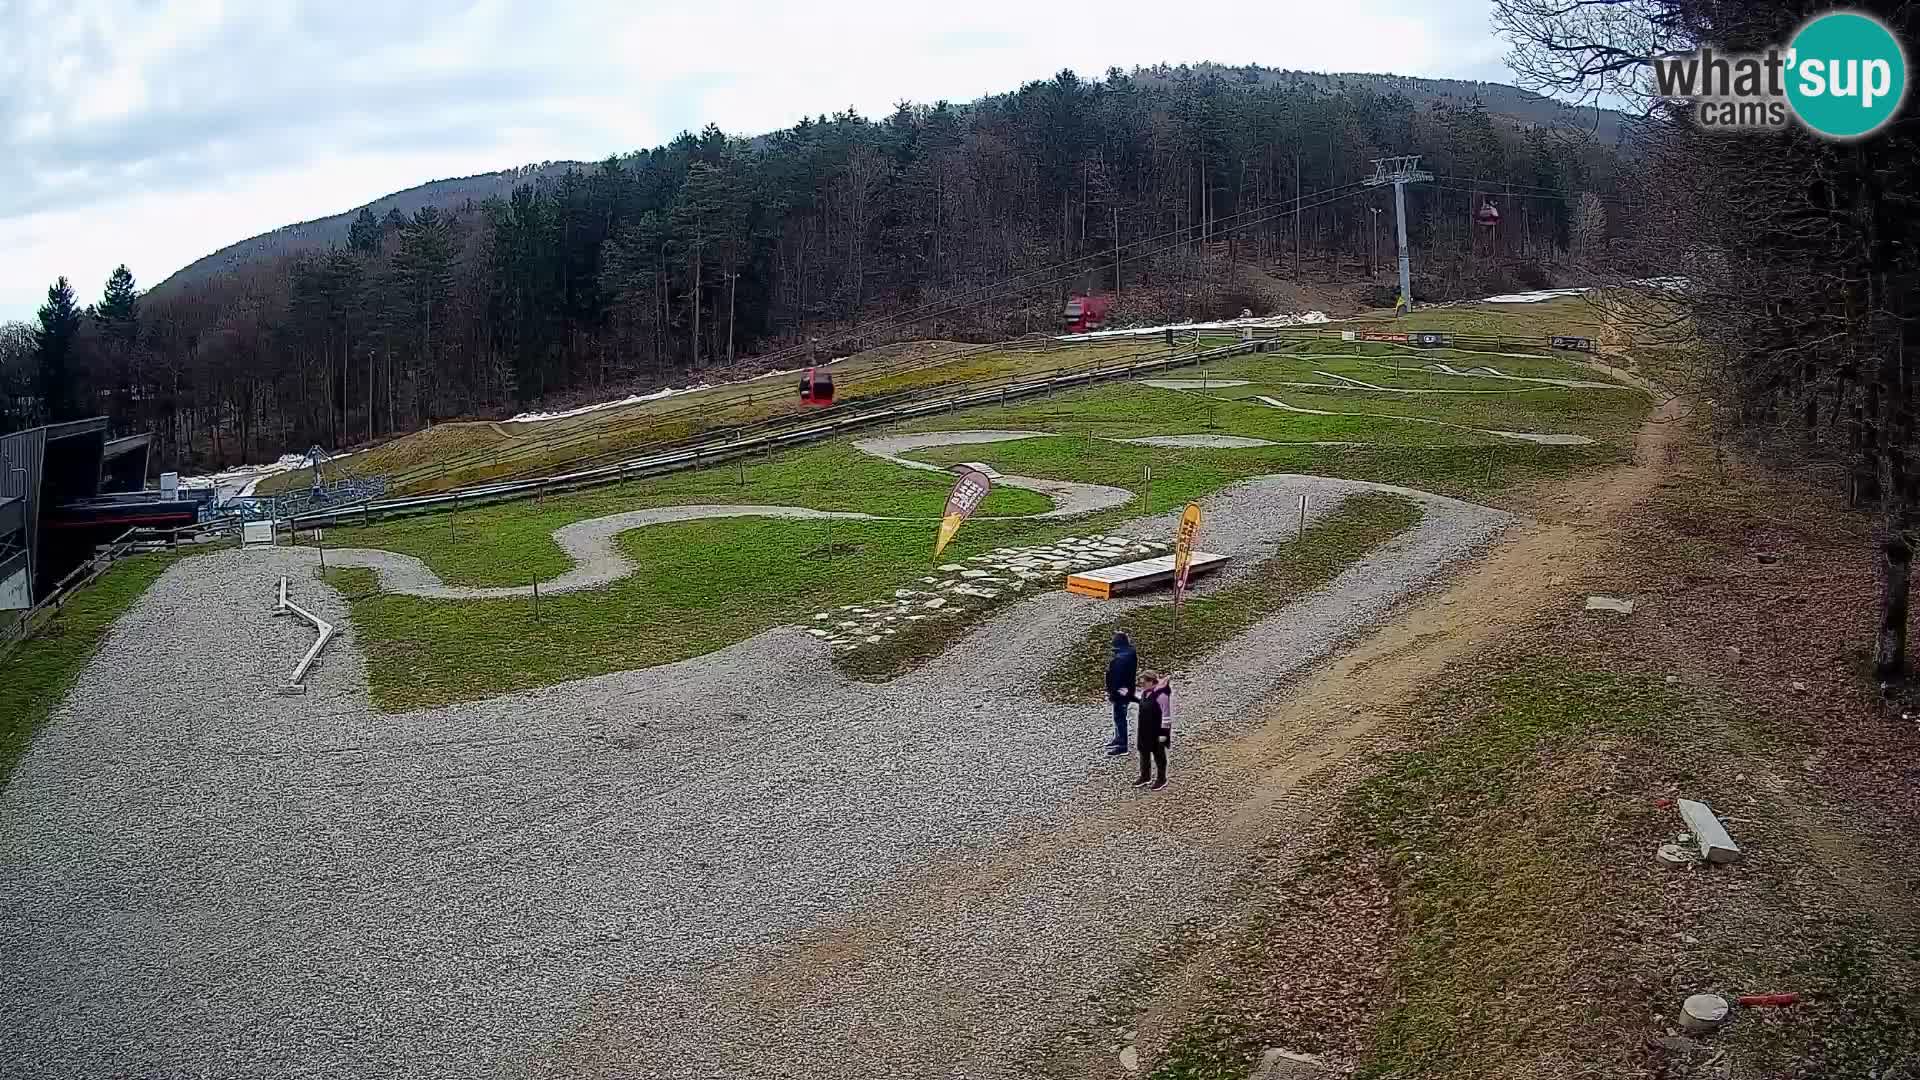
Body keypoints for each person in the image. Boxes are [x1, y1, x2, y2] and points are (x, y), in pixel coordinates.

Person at [1133, 671, 1171, 790]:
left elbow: (1166, 716)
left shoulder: (1162, 696)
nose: (1141, 685)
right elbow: (1143, 703)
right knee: (1143, 753)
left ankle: (1162, 778)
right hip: (1144, 729)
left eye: (1143, 682)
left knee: (1159, 755)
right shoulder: (1145, 693)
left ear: (1150, 682)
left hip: (1157, 731)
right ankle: (1145, 776)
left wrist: (1164, 734)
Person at [1104, 631, 1138, 755]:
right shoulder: (1129, 654)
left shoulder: (1119, 660)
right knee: (1118, 716)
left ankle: (1122, 744)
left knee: (1120, 717)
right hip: (1127, 690)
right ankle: (1119, 738)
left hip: (1120, 693)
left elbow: (1117, 680)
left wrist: (1113, 693)